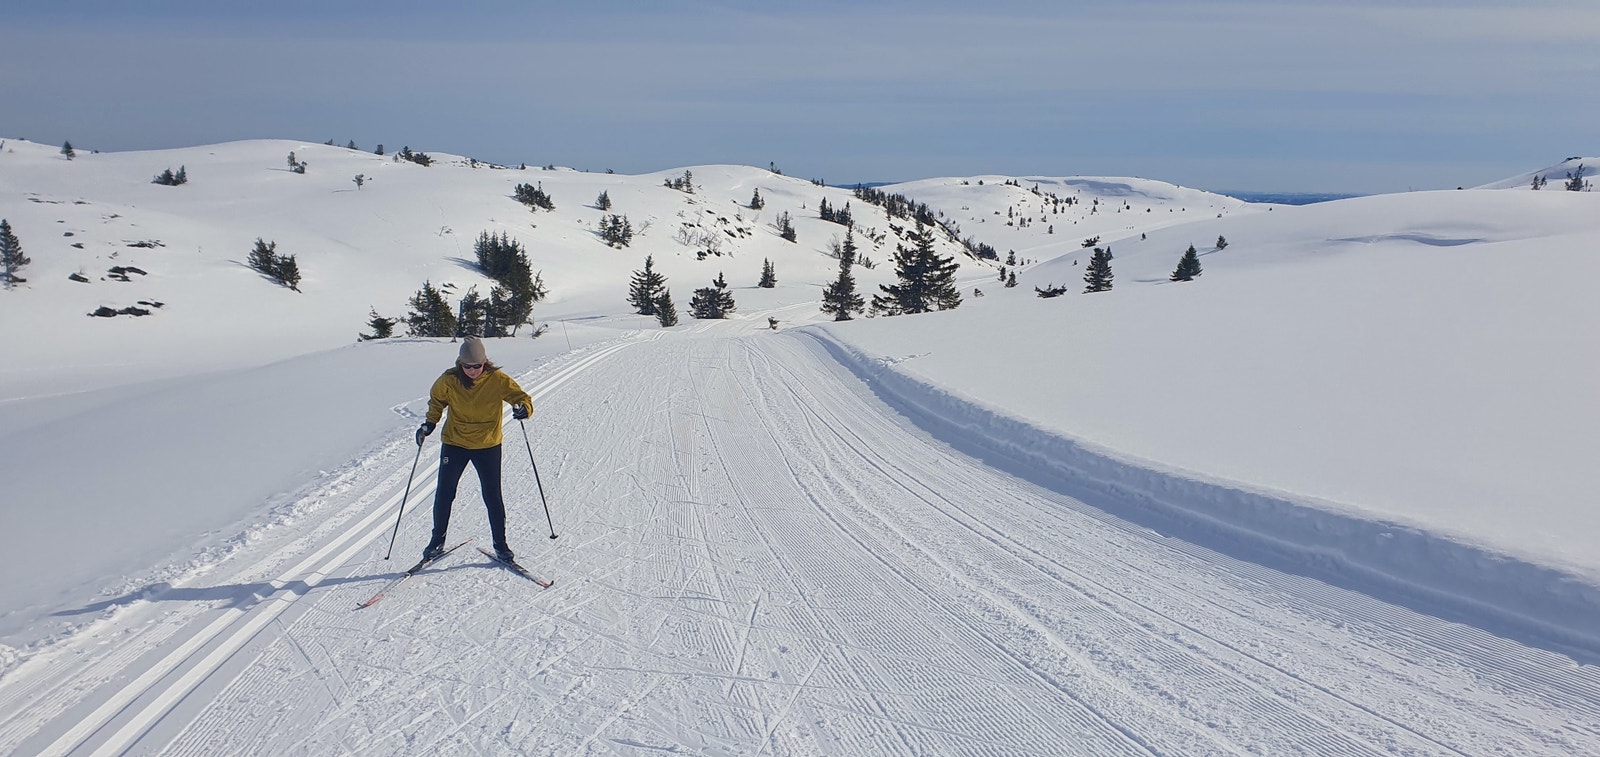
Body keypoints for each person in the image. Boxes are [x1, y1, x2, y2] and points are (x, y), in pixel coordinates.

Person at [415, 336, 534, 562]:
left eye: (477, 366)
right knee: (445, 492)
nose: (472, 370)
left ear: (484, 362)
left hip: (487, 444)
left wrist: (523, 409)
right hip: (455, 442)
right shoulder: (449, 380)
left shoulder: (497, 379)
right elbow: (436, 401)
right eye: (467, 366)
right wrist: (429, 423)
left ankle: (501, 545)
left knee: (492, 495)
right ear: (460, 363)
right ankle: (436, 542)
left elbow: (520, 397)